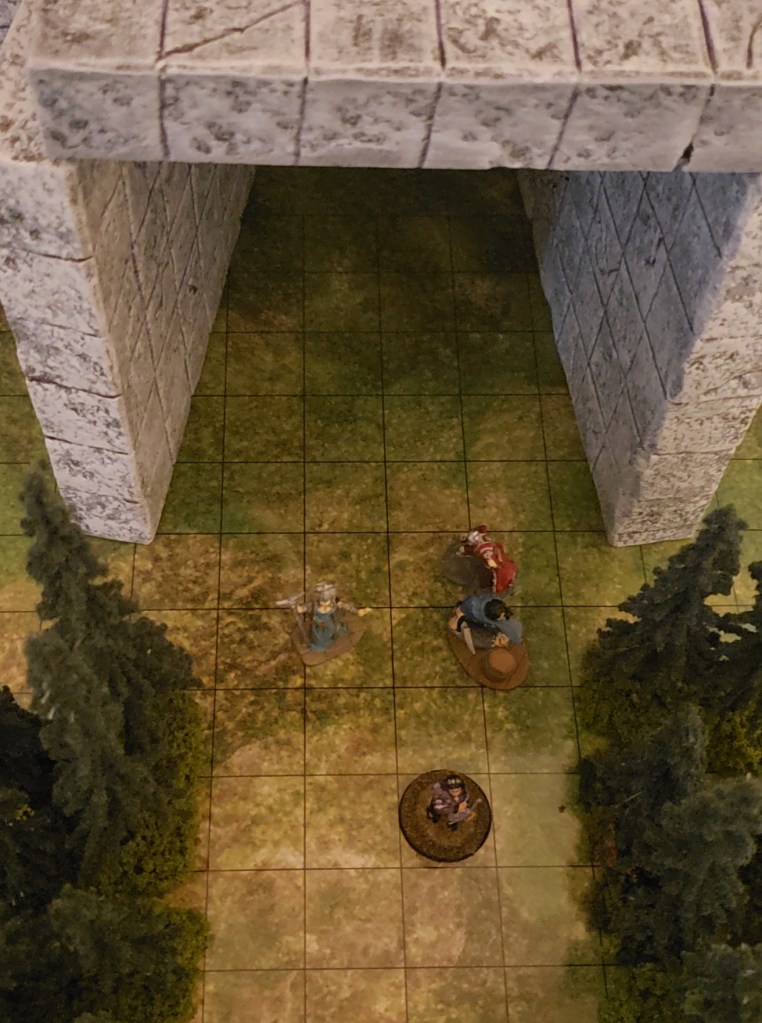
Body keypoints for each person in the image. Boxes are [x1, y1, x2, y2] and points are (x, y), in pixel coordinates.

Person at [450, 593, 523, 646]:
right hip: (471, 616)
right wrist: (458, 618)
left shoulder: (497, 602)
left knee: (491, 640)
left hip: (486, 624)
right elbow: (459, 611)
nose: (502, 618)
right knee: (453, 625)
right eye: (500, 617)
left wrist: (501, 634)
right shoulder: (472, 605)